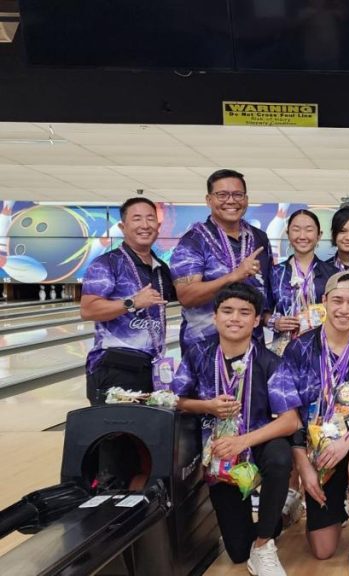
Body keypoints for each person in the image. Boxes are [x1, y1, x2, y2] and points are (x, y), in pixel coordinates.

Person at [172, 283, 301, 576]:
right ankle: (274, 520)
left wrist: (243, 441)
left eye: (245, 312)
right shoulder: (198, 355)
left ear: (256, 320)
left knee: (280, 457)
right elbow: (178, 400)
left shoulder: (270, 362)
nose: (235, 318)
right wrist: (208, 407)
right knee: (237, 551)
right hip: (219, 452)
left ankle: (265, 543)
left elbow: (290, 420)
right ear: (215, 317)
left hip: (256, 442)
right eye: (227, 311)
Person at [269, 271, 349, 574]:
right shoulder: (300, 348)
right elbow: (289, 415)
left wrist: (348, 441)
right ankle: (341, 506)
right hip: (315, 449)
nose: (344, 309)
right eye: (338, 301)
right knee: (322, 550)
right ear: (324, 302)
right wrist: (304, 466)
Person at [81, 197, 176, 404]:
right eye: (137, 219)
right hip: (115, 367)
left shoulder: (161, 268)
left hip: (152, 368)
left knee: (146, 435)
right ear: (123, 227)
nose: (145, 225)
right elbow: (88, 309)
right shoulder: (106, 263)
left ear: (158, 227)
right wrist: (132, 302)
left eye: (150, 219)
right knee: (116, 434)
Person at [171, 169, 273, 349]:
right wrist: (233, 277)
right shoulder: (193, 241)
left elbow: (267, 291)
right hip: (203, 348)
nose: (231, 200)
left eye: (237, 195)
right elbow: (186, 295)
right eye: (222, 195)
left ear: (246, 199)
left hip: (252, 347)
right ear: (209, 200)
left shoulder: (259, 237)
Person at [267, 209, 337, 356]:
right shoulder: (276, 272)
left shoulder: (332, 273)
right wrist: (275, 322)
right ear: (288, 234)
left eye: (309, 230)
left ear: (319, 236)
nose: (302, 236)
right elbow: (263, 312)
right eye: (296, 230)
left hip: (323, 350)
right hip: (283, 351)